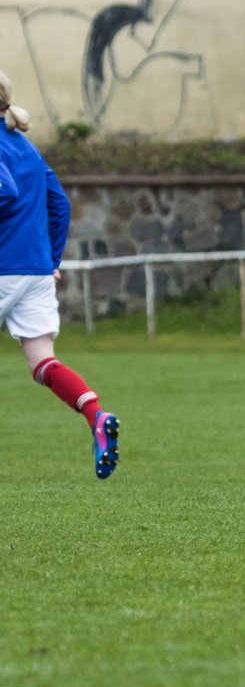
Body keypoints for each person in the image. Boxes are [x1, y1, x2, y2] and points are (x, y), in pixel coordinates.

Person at [0, 70, 120, 478]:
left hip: (5, 269)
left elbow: (5, 191)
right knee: (43, 363)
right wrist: (51, 261)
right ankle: (96, 416)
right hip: (34, 272)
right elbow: (60, 204)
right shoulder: (27, 147)